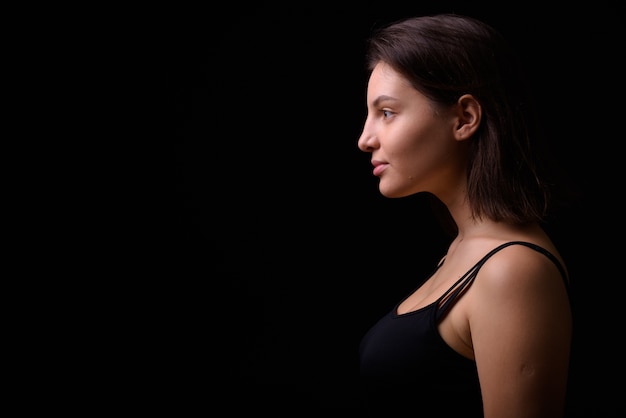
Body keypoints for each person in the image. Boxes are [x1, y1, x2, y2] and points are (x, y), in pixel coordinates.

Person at [356, 14, 573, 418]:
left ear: (465, 118)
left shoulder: (512, 269)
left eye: (386, 112)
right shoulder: (463, 250)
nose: (365, 139)